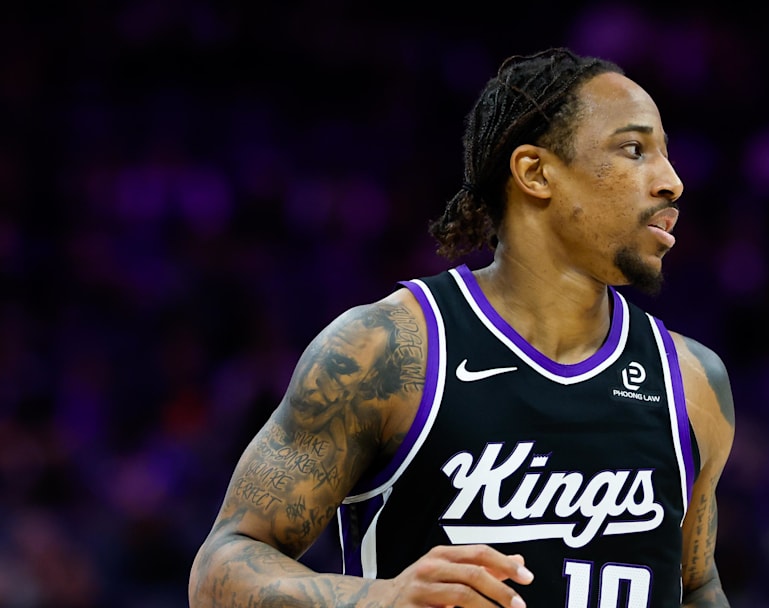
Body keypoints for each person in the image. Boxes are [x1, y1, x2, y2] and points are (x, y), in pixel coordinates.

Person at [188, 47, 737, 607]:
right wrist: (382, 599)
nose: (671, 182)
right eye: (633, 149)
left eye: (665, 155)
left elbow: (696, 585)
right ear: (535, 172)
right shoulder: (388, 351)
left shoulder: (692, 382)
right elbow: (221, 567)